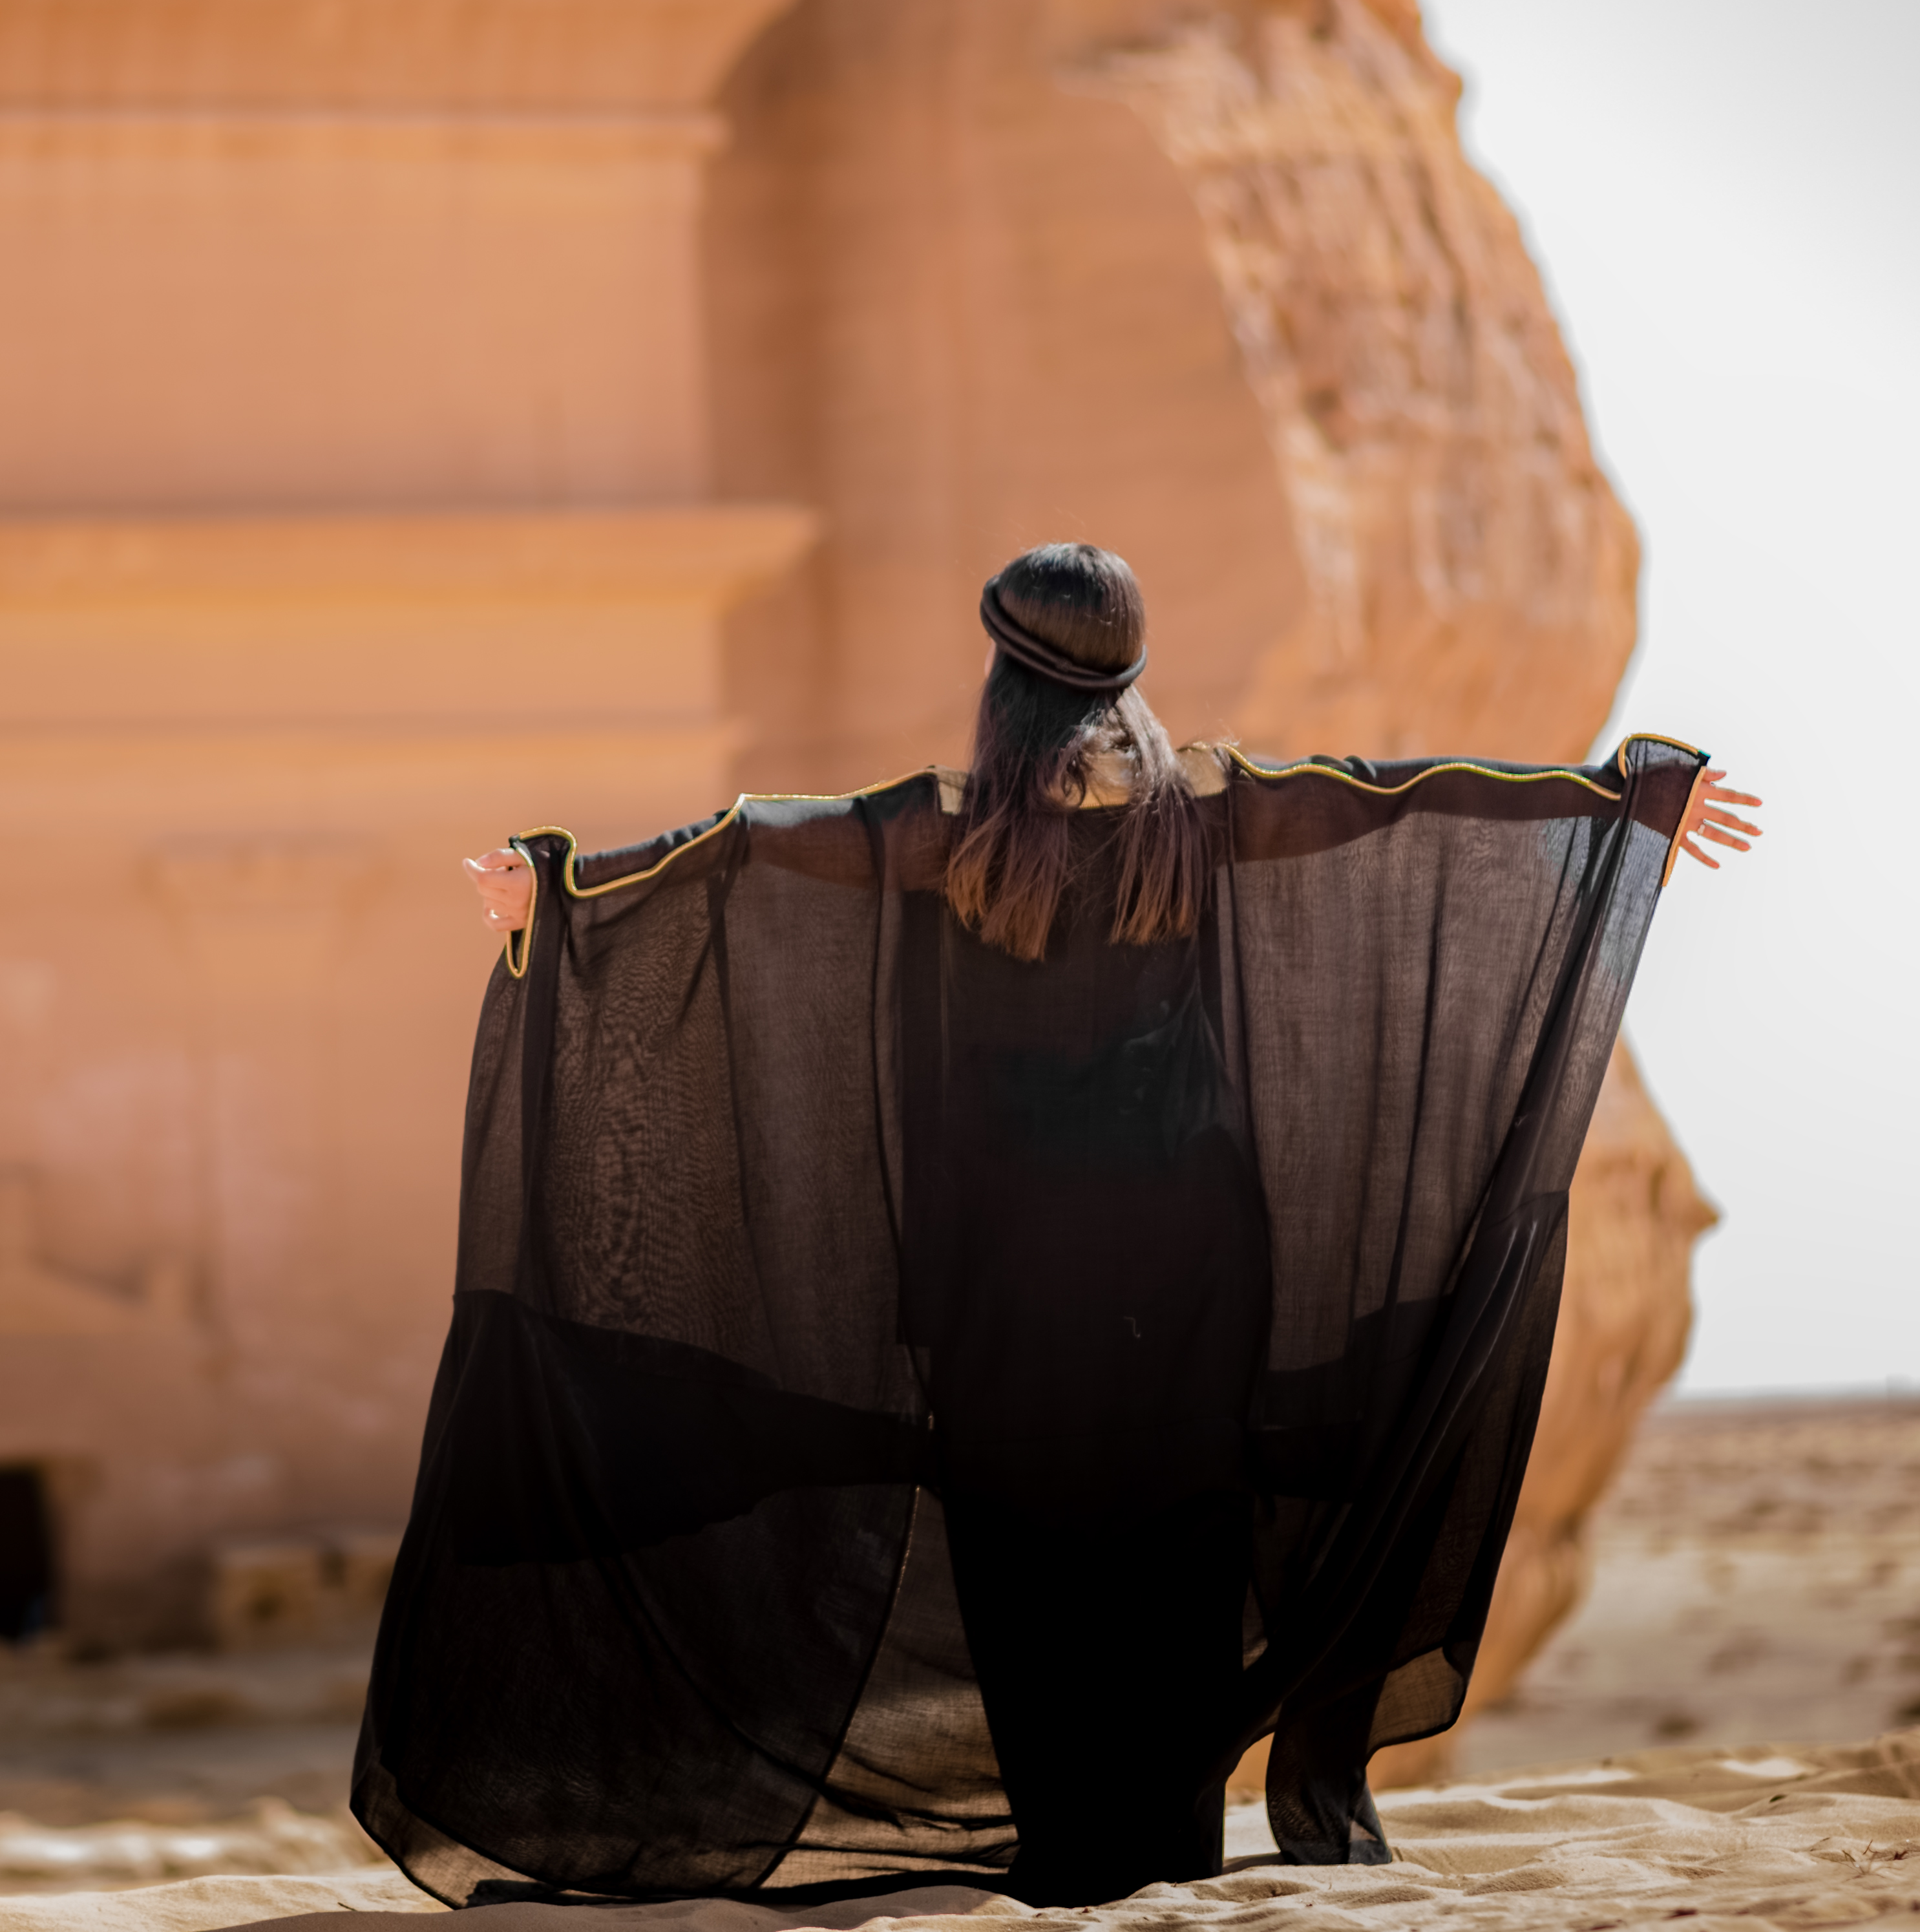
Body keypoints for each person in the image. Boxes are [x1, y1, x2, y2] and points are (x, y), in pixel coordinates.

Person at [353, 544, 1758, 1913]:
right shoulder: (1203, 807)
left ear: (1001, 673)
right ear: (1130, 669)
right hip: (1185, 1269)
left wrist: (565, 883)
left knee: (1027, 1561)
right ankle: (1167, 1847)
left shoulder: (942, 826)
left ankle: (1071, 1852)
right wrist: (1620, 807)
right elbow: (1393, 806)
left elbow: (748, 850)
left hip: (1001, 1282)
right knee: (1173, 1556)